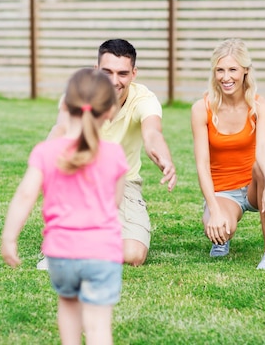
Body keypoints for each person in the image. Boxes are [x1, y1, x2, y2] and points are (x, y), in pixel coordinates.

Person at [0, 67, 128, 345]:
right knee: (98, 329)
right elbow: (114, 202)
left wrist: (9, 238)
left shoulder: (45, 151)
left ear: (63, 104)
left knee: (68, 310)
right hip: (101, 254)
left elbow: (25, 195)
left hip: (61, 255)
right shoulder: (115, 154)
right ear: (108, 112)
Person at [40, 39, 177, 268]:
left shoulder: (144, 99)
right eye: (107, 72)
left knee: (134, 255)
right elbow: (61, 129)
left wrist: (164, 158)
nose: (115, 81)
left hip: (125, 184)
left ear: (134, 73)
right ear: (96, 71)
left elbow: (152, 133)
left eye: (122, 73)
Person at [190, 38, 265, 271]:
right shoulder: (201, 108)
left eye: (232, 70)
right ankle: (222, 238)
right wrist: (215, 210)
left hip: (252, 185)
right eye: (220, 70)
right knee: (221, 230)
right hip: (223, 191)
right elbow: (202, 165)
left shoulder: (259, 106)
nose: (226, 77)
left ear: (245, 72)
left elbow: (263, 148)